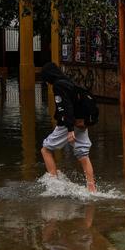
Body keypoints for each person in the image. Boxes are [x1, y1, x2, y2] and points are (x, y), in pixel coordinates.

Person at [39, 62, 97, 192]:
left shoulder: (58, 86)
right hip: (81, 122)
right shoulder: (69, 82)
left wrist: (70, 129)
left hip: (69, 124)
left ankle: (54, 185)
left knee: (46, 149)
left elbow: (65, 107)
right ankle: (92, 189)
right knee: (83, 154)